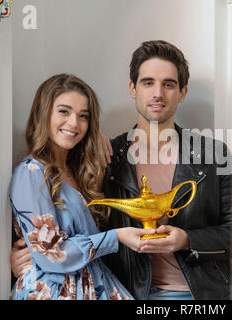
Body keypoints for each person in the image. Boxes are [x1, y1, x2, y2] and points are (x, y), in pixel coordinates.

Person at [12, 41, 232, 300]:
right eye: (147, 82)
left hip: (203, 294)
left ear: (182, 92)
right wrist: (23, 254)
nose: (158, 93)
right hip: (128, 292)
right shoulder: (105, 158)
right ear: (132, 88)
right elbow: (64, 225)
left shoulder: (212, 155)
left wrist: (188, 239)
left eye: (168, 84)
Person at [9, 73, 155, 300]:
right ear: (43, 112)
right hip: (54, 291)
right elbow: (52, 254)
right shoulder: (31, 173)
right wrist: (116, 237)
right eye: (64, 111)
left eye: (83, 116)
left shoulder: (78, 170)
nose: (74, 123)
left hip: (95, 285)